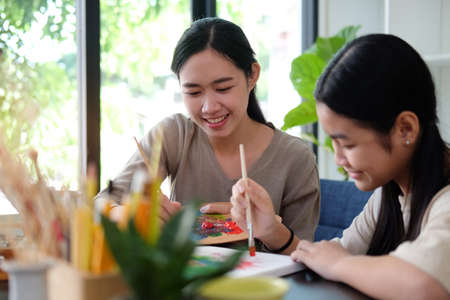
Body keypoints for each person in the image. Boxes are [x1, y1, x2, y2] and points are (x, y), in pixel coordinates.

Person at [98, 17, 320, 252]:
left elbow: (307, 259)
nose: (209, 107)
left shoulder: (296, 158)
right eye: (193, 92)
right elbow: (99, 207)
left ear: (252, 75)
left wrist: (271, 231)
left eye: (223, 88)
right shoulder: (174, 135)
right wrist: (132, 213)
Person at [288, 34, 450, 299]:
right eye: (334, 143)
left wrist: (340, 264)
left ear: (405, 128)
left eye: (348, 145)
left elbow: (423, 286)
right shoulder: (389, 193)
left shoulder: (445, 200)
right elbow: (334, 253)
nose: (339, 160)